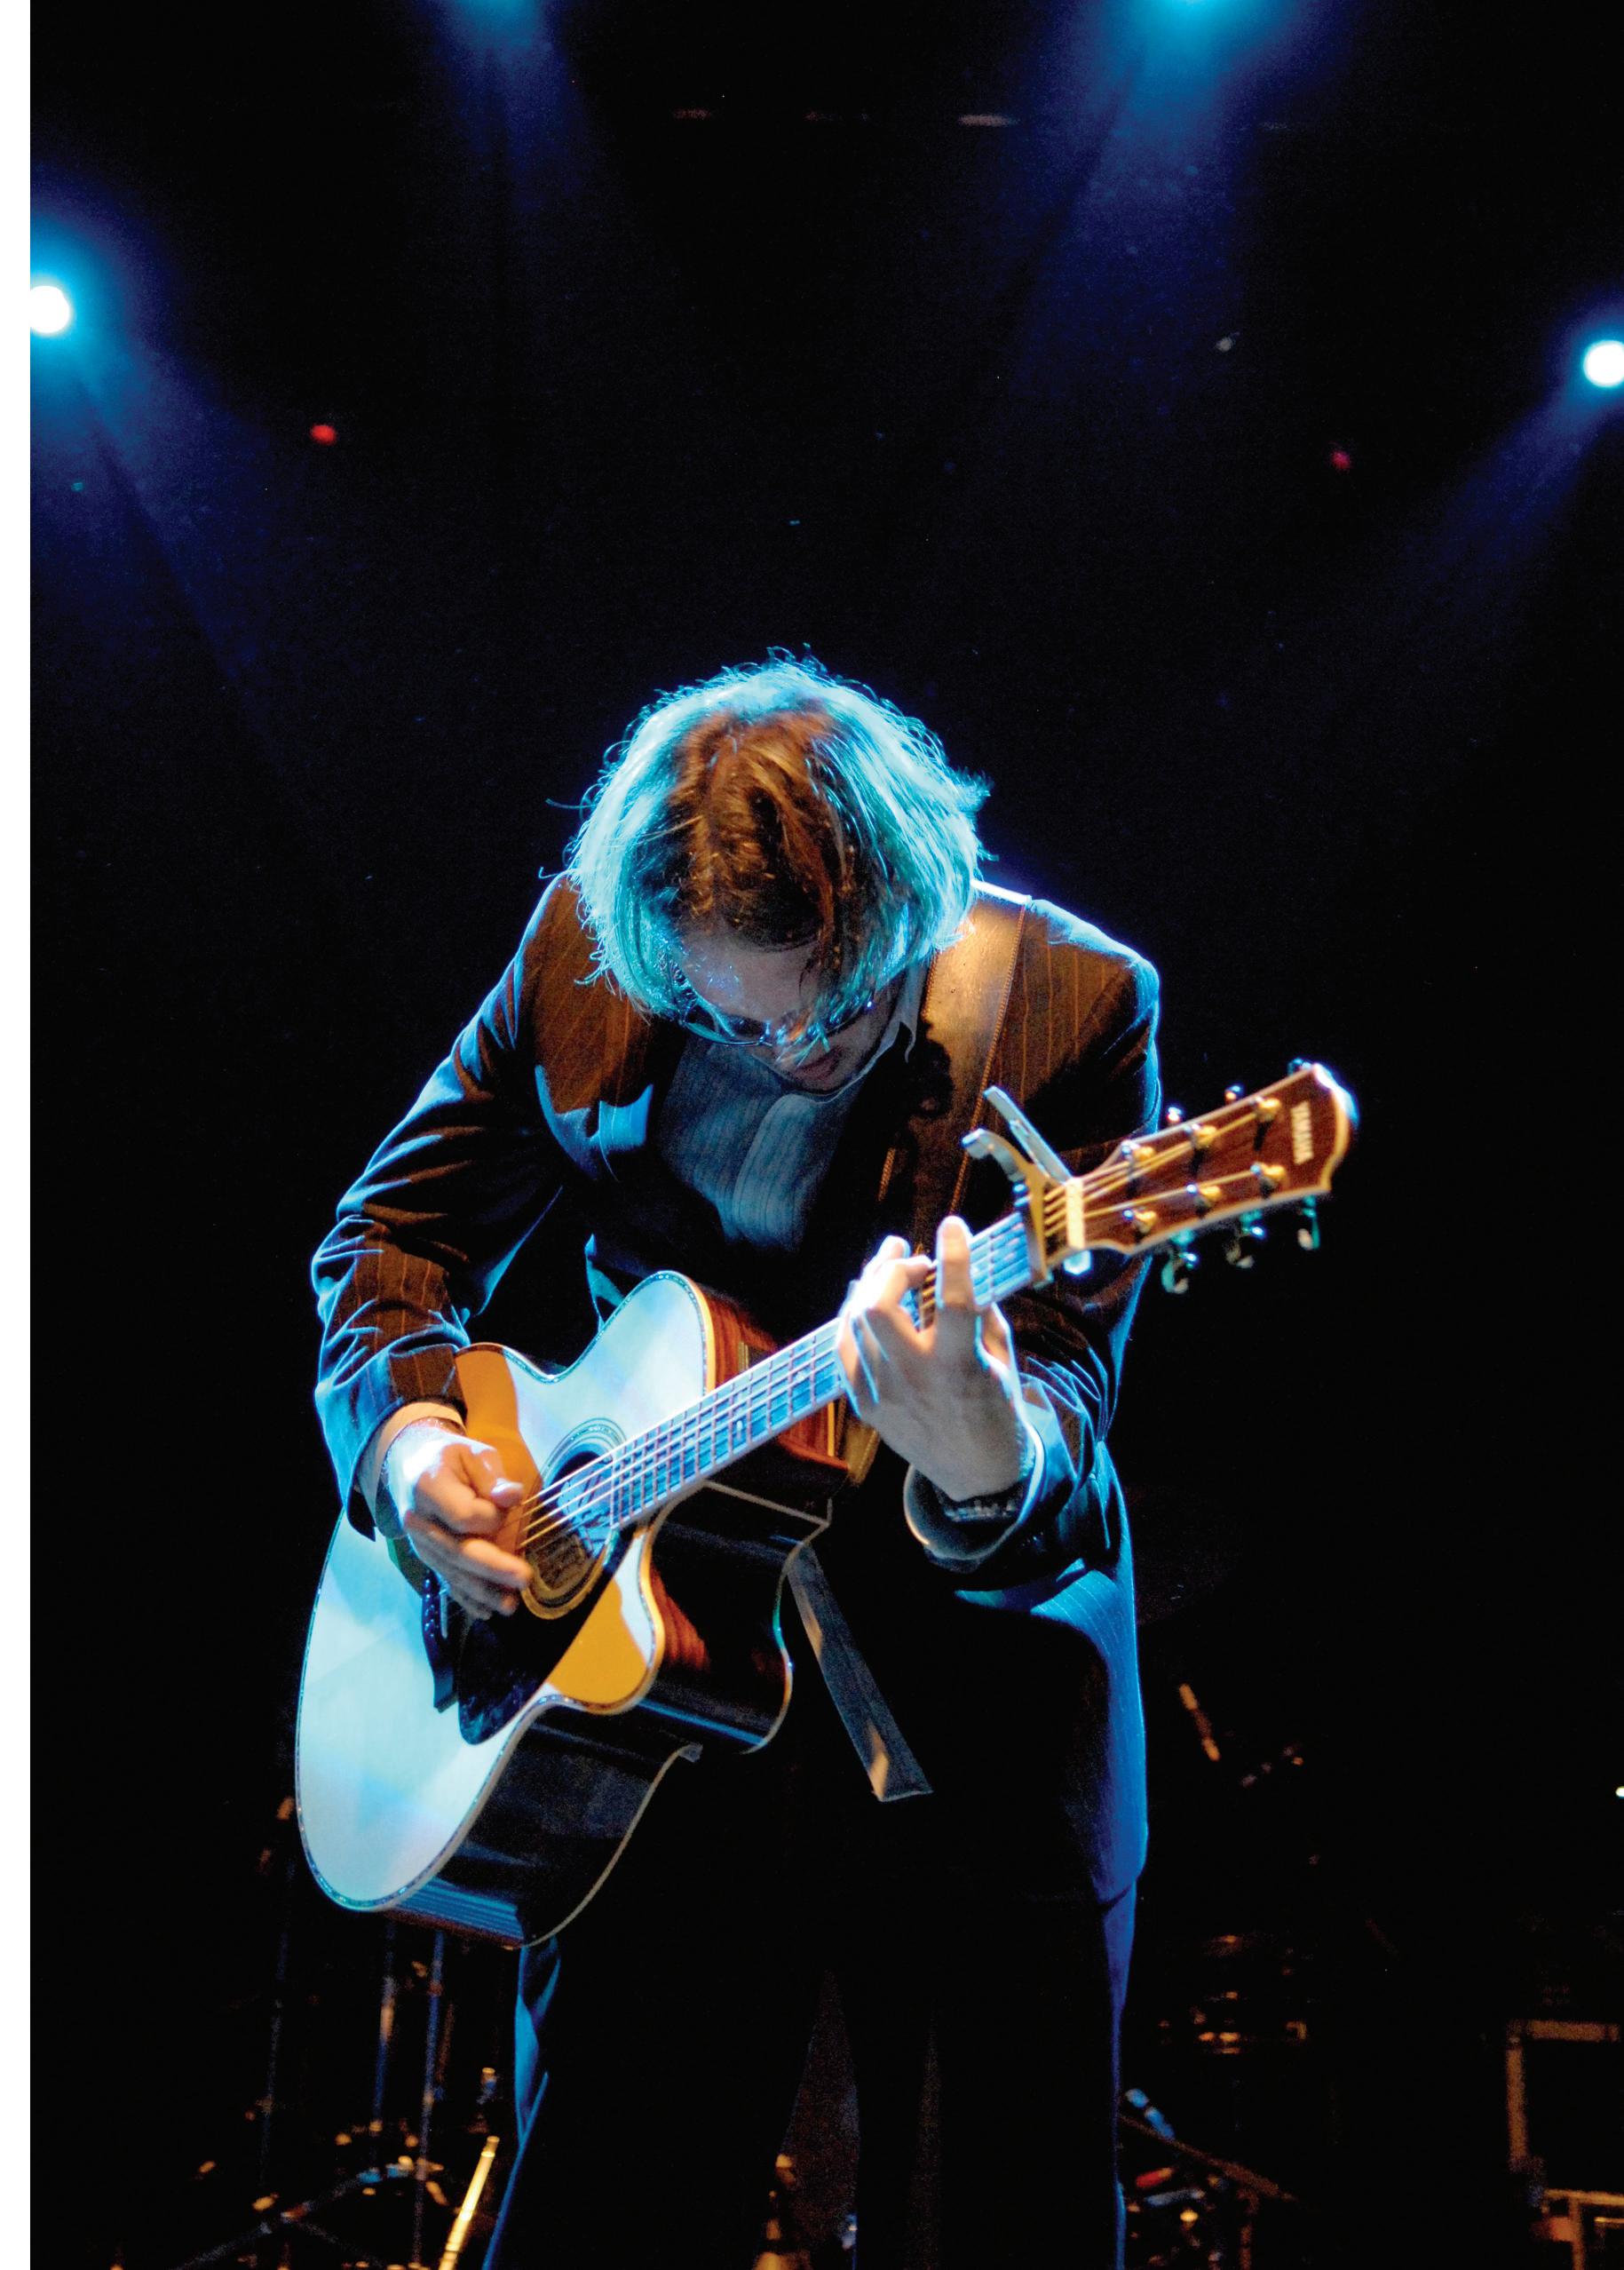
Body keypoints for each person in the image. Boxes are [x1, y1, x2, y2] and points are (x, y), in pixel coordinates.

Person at [312, 655, 1161, 2268]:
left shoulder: (1069, 1003)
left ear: (916, 913)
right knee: (601, 2213)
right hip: (640, 1706)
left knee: (992, 2222)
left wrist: (984, 1457)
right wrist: (413, 1444)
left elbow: (1060, 1389)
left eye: (833, 1011)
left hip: (965, 1706)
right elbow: (388, 1243)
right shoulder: (586, 954)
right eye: (726, 1014)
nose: (782, 1045)